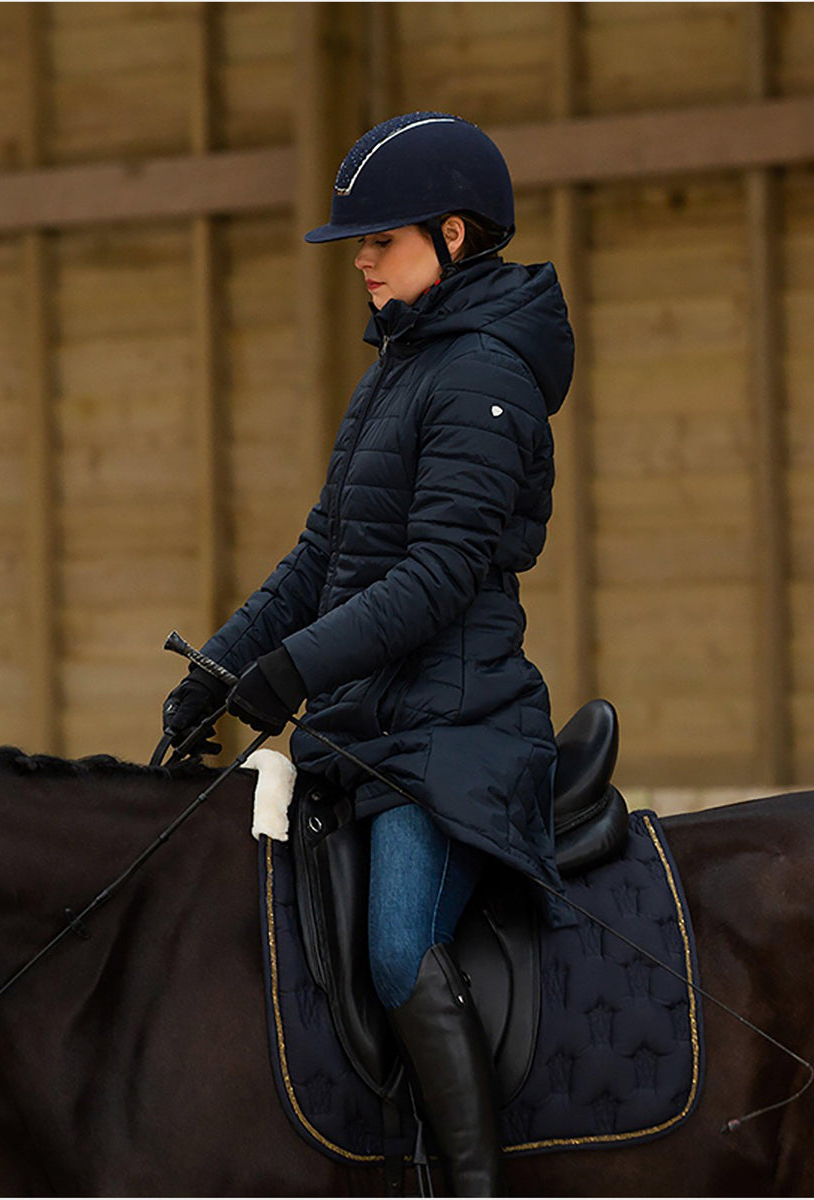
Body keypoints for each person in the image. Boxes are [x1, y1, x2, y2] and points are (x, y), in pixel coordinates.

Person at [162, 111, 574, 1197]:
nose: (360, 262)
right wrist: (218, 668)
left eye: (377, 242)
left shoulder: (485, 376)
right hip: (372, 731)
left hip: (450, 737)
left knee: (397, 949)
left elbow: (437, 578)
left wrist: (291, 672)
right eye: (356, 245)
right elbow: (322, 555)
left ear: (450, 234)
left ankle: (475, 1186)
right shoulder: (400, 368)